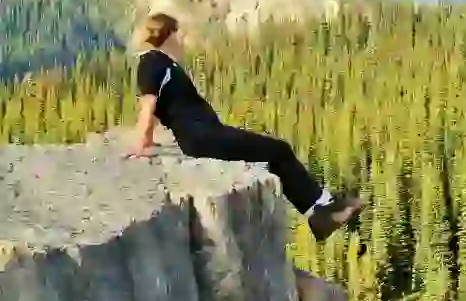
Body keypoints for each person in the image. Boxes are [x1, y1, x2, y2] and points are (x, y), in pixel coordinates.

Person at [126, 12, 363, 241]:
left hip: (205, 134)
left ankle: (322, 207)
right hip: (203, 137)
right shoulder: (152, 62)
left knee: (273, 151)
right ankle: (321, 212)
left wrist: (149, 138)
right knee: (277, 150)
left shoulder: (163, 64)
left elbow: (160, 104)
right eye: (178, 34)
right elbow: (149, 103)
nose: (182, 40)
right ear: (168, 35)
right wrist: (142, 143)